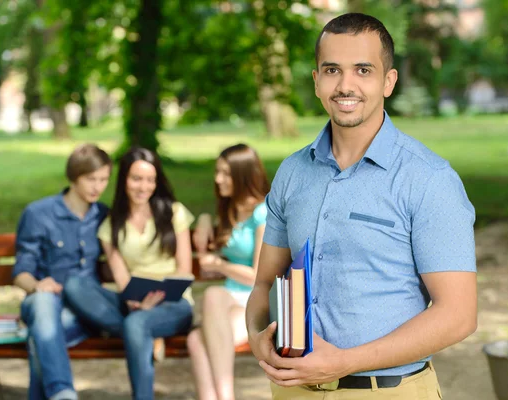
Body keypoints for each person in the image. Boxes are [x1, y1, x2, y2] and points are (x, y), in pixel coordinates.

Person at [245, 13, 477, 400]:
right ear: (317, 80)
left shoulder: (429, 179)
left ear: (388, 81)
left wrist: (345, 362)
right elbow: (265, 283)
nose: (345, 85)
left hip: (387, 392)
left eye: (363, 70)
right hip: (293, 391)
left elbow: (458, 316)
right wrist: (256, 338)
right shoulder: (292, 173)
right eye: (332, 69)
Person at [63, 147, 194, 400]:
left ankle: (141, 337)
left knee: (136, 324)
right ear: (124, 180)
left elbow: (184, 270)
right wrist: (136, 302)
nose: (143, 187)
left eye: (150, 180)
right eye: (136, 179)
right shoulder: (111, 225)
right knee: (75, 286)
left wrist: (156, 301)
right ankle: (145, 336)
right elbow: (122, 280)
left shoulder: (174, 213)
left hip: (175, 304)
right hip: (133, 303)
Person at [12, 143, 112, 400]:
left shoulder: (103, 215)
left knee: (41, 338)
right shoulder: (39, 213)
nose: (98, 187)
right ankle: (62, 393)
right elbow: (22, 270)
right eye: (91, 179)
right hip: (43, 302)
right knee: (44, 306)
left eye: (104, 180)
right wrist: (36, 286)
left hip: (84, 312)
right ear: (74, 177)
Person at [186, 144, 270, 400]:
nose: (217, 179)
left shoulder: (263, 213)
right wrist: (202, 219)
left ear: (242, 175)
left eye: (225, 173)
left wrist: (219, 265)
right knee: (196, 337)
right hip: (233, 299)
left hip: (258, 300)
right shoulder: (229, 209)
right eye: (217, 172)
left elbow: (257, 275)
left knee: (202, 325)